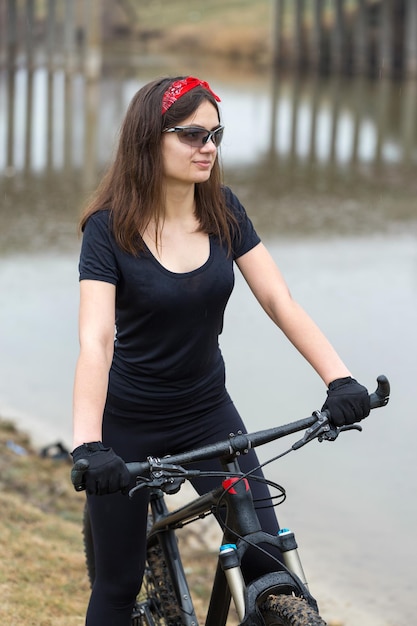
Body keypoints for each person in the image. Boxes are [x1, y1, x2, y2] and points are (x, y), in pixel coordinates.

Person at [71, 76, 370, 625]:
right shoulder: (108, 230)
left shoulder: (223, 211)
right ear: (148, 139)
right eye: (190, 134)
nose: (207, 147)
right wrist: (89, 443)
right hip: (128, 423)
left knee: (262, 554)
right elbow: (96, 339)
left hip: (210, 415)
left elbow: (279, 300)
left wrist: (339, 379)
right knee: (118, 585)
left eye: (215, 134)